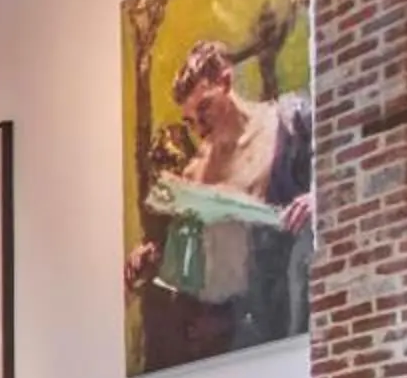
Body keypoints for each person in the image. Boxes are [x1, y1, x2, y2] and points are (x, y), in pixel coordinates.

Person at [126, 26, 318, 354]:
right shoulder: (197, 169)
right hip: (239, 330)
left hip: (296, 311)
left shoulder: (290, 121)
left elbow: (350, 172)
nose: (200, 128)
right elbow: (190, 256)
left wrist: (319, 197)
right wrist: (150, 257)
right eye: (190, 121)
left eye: (204, 108)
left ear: (226, 82)